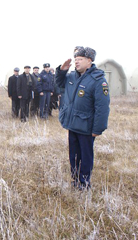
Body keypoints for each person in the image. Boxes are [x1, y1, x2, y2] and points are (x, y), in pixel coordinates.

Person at [55, 46, 110, 190]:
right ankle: (75, 180)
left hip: (86, 127)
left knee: (85, 157)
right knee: (73, 155)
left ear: (89, 61)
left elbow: (102, 107)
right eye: (75, 59)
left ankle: (84, 183)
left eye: (80, 59)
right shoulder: (72, 76)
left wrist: (98, 129)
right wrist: (62, 71)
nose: (76, 62)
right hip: (72, 123)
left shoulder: (98, 80)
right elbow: (60, 83)